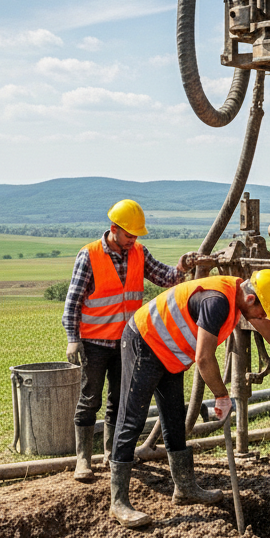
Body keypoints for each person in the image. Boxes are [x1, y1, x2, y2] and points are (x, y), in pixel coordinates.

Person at [108, 269, 270, 529]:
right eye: (263, 311)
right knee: (132, 418)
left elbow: (268, 330)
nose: (263, 317)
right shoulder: (217, 301)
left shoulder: (243, 299)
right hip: (145, 340)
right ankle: (119, 502)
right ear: (251, 299)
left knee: (173, 417)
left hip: (169, 351)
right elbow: (204, 359)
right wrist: (221, 395)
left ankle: (184, 488)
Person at [62, 199, 197, 482]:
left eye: (136, 236)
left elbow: (164, 276)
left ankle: (112, 454)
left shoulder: (138, 252)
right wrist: (72, 338)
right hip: (95, 343)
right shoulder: (89, 256)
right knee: (90, 399)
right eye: (128, 235)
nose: (132, 240)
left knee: (118, 400)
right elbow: (73, 301)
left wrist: (182, 267)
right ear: (113, 229)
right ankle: (83, 460)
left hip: (126, 343)